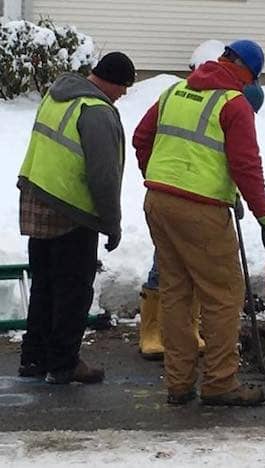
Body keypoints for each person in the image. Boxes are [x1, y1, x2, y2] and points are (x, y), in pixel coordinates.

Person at [133, 39, 265, 406]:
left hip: (159, 203)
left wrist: (162, 179)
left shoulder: (175, 92)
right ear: (247, 72)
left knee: (176, 294)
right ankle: (220, 382)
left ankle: (179, 384)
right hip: (201, 212)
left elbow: (141, 137)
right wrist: (263, 213)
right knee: (224, 295)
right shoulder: (235, 104)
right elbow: (246, 164)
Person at [17, 52, 135, 384]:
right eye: (124, 86)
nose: (124, 94)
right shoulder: (95, 111)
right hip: (71, 208)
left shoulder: (57, 94)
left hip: (36, 196)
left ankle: (34, 358)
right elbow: (103, 176)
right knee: (74, 290)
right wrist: (111, 223)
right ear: (111, 81)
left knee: (44, 284)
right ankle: (63, 363)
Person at [138, 81, 265, 360]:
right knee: (215, 288)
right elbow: (244, 163)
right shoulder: (218, 104)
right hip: (190, 203)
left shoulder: (209, 102)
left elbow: (221, 160)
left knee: (179, 281)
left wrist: (231, 194)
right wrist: (262, 212)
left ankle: (180, 367)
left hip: (170, 197)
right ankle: (216, 376)